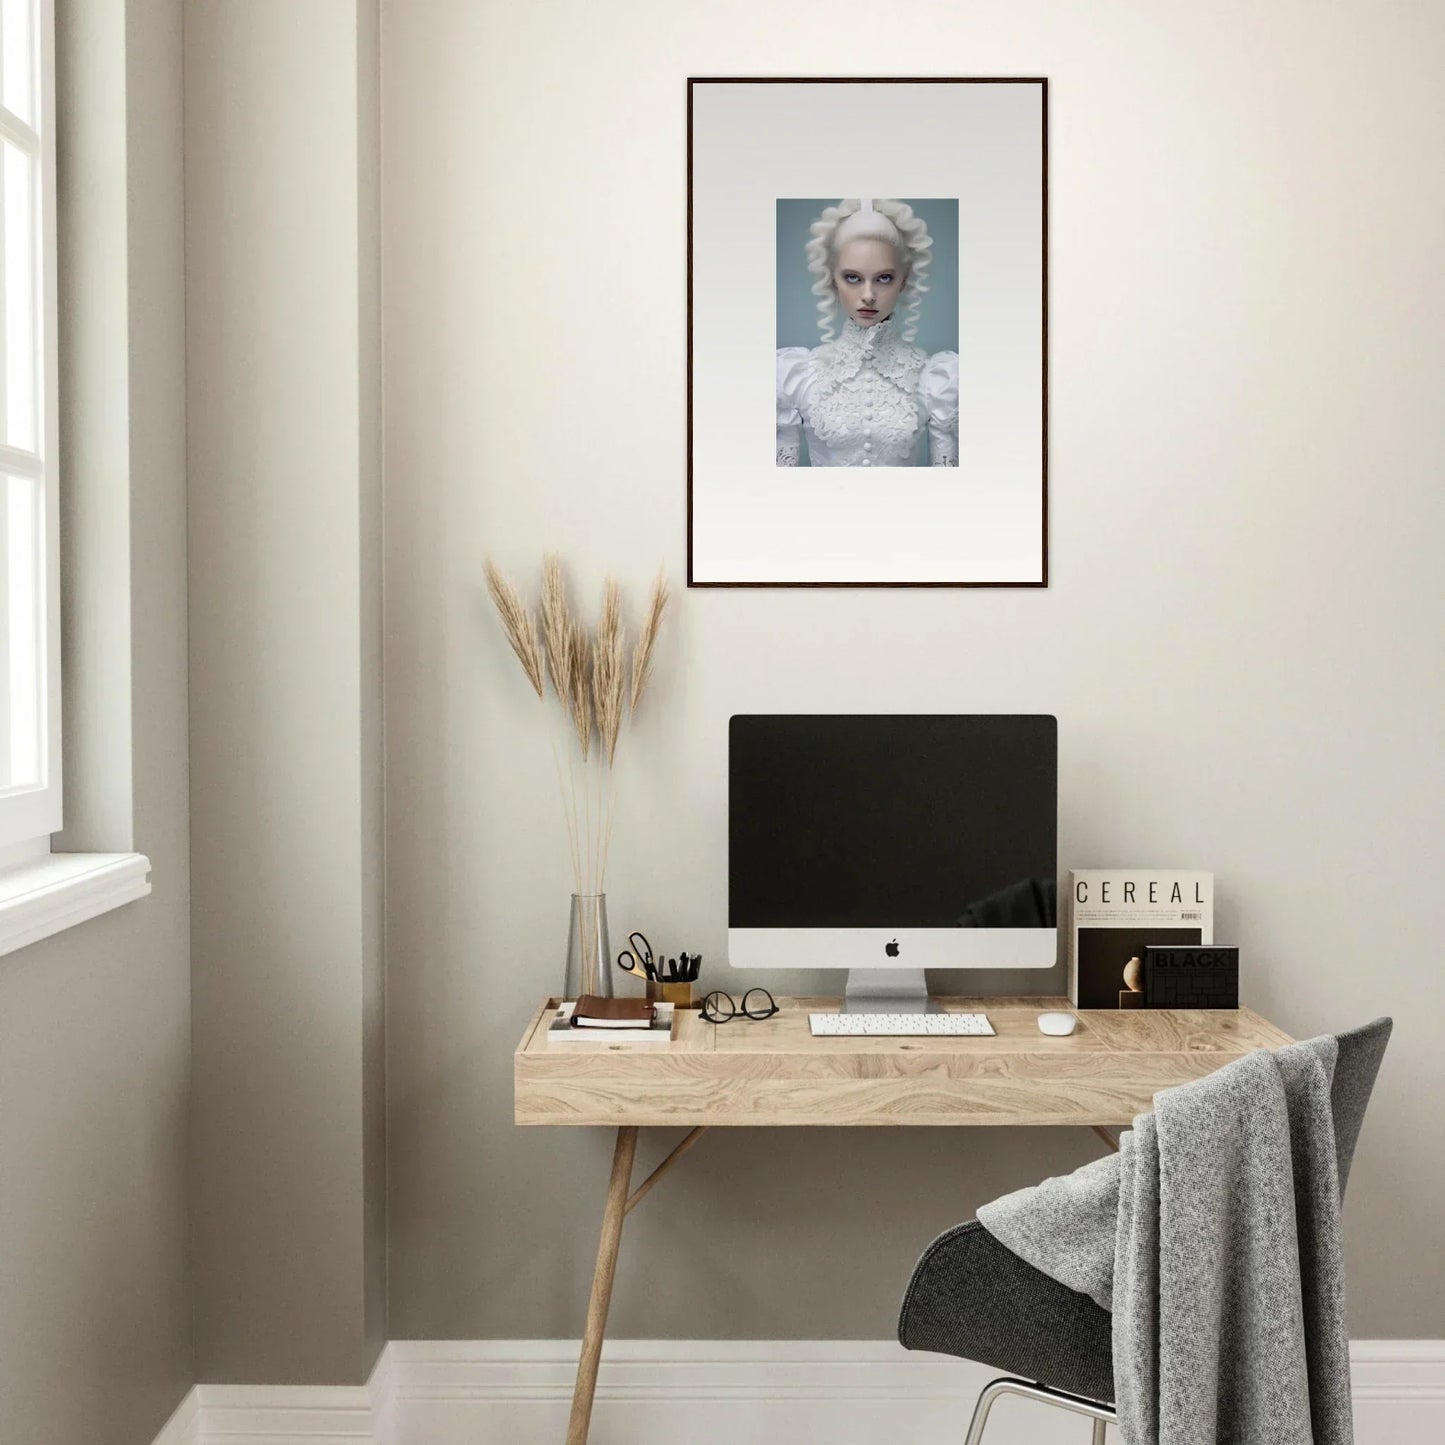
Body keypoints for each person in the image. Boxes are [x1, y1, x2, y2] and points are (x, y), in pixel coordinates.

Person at [776, 199, 958, 468]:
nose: (868, 296)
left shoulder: (937, 379)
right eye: (853, 277)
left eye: (884, 278)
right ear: (832, 279)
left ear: (903, 280)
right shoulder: (797, 375)